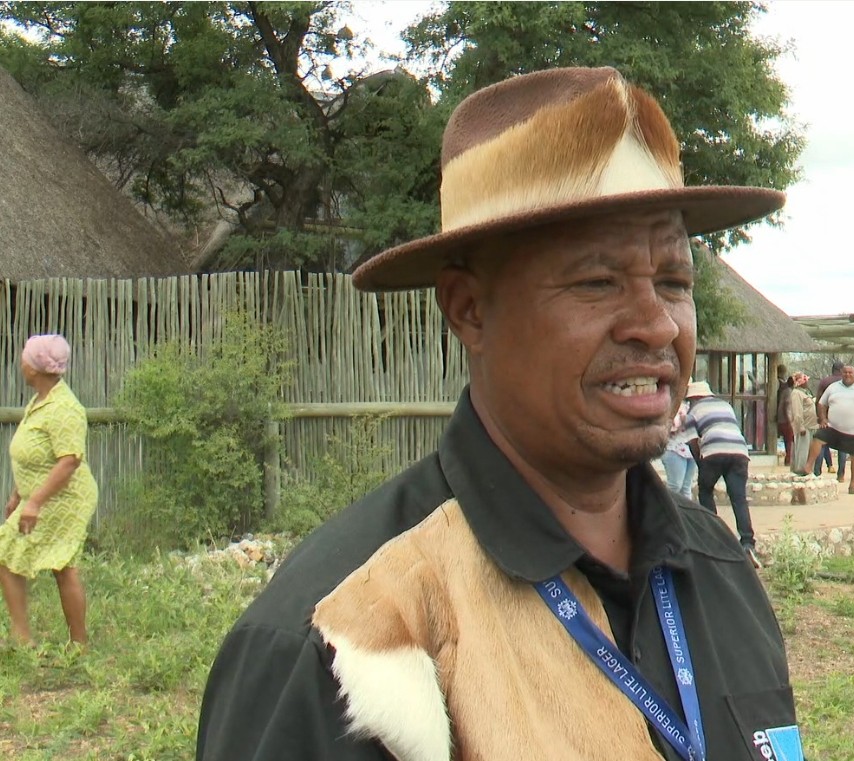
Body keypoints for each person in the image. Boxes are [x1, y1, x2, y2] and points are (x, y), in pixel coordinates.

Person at [197, 67, 801, 760]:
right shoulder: (348, 637)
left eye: (673, 281)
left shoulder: (719, 571)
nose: (656, 324)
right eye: (597, 281)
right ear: (469, 310)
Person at [1, 334, 98, 646]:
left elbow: (69, 461)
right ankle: (22, 638)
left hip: (66, 497)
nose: (21, 361)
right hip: (39, 496)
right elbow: (36, 457)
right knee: (7, 555)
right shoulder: (41, 401)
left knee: (62, 566)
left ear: (34, 368)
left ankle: (78, 646)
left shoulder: (65, 408)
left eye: (25, 357)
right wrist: (18, 495)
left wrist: (34, 503)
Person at [683, 380, 760, 569]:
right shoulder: (725, 405)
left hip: (713, 450)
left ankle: (713, 536)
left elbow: (693, 443)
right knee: (738, 498)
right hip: (739, 451)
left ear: (694, 397)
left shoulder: (692, 413)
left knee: (705, 491)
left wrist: (702, 465)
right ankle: (747, 543)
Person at [817, 366, 854, 495]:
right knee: (818, 439)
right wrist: (822, 419)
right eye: (845, 372)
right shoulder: (833, 386)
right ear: (841, 373)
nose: (848, 374)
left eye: (851, 372)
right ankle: (812, 471)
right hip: (834, 427)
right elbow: (821, 402)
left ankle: (852, 483)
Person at [810, 360, 844, 475]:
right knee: (842, 446)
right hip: (841, 417)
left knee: (821, 443)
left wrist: (819, 416)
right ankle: (841, 474)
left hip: (826, 416)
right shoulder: (845, 382)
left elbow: (819, 400)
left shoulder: (825, 382)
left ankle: (817, 471)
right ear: (841, 370)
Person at [661, 399, 697, 499]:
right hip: (674, 448)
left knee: (686, 487)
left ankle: (686, 509)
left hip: (691, 449)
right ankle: (666, 506)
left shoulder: (695, 407)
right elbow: (672, 427)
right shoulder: (672, 405)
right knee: (675, 485)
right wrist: (683, 418)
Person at [789, 371, 817, 476]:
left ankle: (808, 470)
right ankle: (800, 471)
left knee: (809, 451)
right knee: (802, 450)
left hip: (811, 426)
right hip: (804, 427)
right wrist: (800, 427)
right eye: (805, 381)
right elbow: (797, 412)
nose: (807, 383)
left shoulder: (805, 393)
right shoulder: (796, 394)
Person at [775, 365, 794, 467]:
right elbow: (787, 407)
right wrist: (790, 421)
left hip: (779, 417)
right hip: (785, 420)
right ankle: (788, 460)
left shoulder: (781, 388)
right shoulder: (788, 391)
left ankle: (788, 459)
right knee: (789, 441)